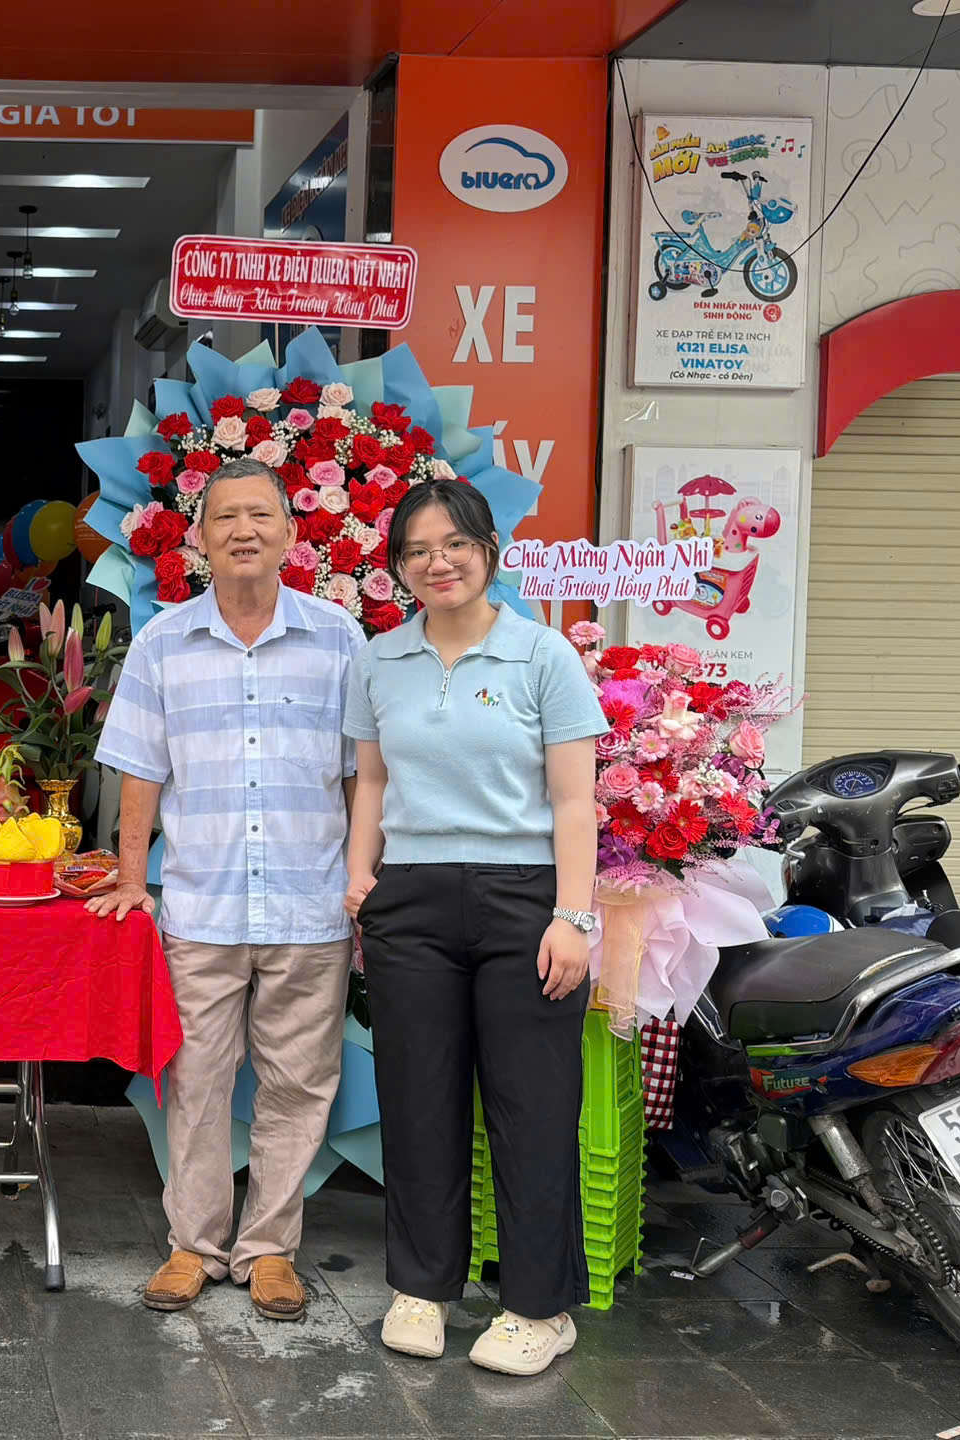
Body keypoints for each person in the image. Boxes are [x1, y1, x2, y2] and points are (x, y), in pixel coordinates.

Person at [90, 457, 365, 1323]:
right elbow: (138, 771)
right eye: (224, 519)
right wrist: (134, 880)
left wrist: (364, 880)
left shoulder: (339, 640)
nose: (243, 531)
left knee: (297, 1082)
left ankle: (271, 1249)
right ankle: (193, 1244)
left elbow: (365, 778)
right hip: (202, 904)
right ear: (199, 539)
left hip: (310, 902)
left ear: (291, 533)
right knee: (197, 1081)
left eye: (261, 516)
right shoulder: (164, 640)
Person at [342, 477, 606, 1376]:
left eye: (453, 543)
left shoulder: (542, 657)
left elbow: (576, 800)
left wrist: (574, 916)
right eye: (415, 550)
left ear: (488, 549)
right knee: (418, 1102)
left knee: (532, 1107)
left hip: (525, 899)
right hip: (410, 899)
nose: (436, 562)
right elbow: (370, 782)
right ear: (397, 567)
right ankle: (421, 1289)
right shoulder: (378, 660)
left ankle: (540, 1307)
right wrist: (359, 877)